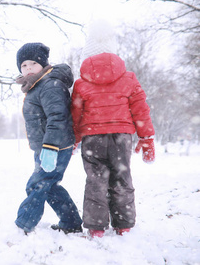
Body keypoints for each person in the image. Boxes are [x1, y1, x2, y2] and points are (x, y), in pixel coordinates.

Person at [71, 20, 155, 238]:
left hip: (93, 139)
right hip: (121, 137)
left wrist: (74, 138)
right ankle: (123, 224)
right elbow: (140, 109)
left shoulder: (81, 83)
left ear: (87, 54)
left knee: (95, 181)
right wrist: (146, 137)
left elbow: (76, 113)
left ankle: (97, 227)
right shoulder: (128, 78)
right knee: (121, 178)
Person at [14, 42, 83, 234]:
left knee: (37, 184)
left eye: (32, 64)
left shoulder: (49, 85)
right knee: (49, 186)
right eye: (24, 66)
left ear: (43, 64)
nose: (28, 69)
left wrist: (51, 147)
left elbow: (58, 117)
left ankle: (23, 225)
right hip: (45, 147)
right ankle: (71, 222)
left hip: (55, 146)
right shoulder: (36, 86)